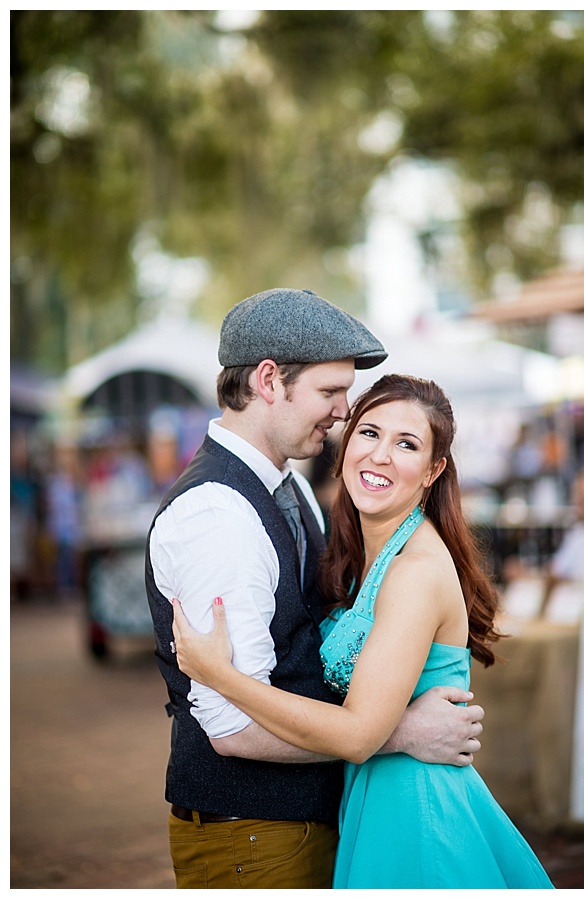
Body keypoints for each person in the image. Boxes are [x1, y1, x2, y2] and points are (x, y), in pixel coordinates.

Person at [146, 288, 485, 889]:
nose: (341, 413)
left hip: (320, 818)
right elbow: (230, 727)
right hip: (249, 830)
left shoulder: (293, 491)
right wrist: (400, 731)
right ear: (271, 380)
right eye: (331, 393)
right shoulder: (215, 516)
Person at [172, 374, 555, 889]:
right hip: (372, 799)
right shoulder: (362, 556)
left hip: (414, 808)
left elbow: (357, 734)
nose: (380, 455)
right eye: (369, 433)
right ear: (346, 441)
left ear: (432, 470)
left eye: (407, 444)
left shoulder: (414, 570)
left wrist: (220, 674)